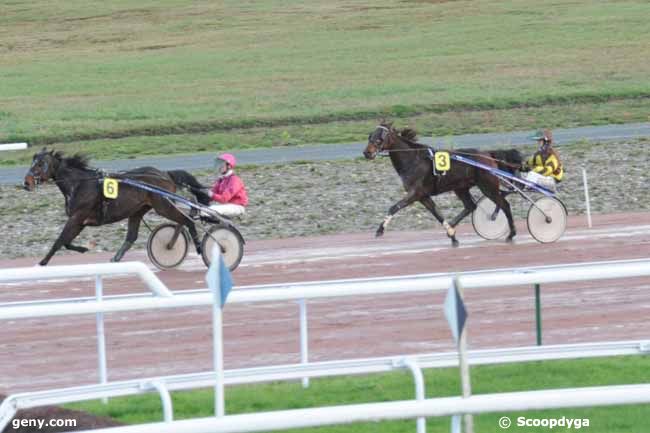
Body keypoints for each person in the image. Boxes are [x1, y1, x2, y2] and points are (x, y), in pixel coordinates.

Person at [209, 153, 248, 217]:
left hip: (237, 207)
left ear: (229, 166)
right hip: (227, 205)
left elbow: (223, 199)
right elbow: (213, 193)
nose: (219, 166)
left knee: (211, 209)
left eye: (221, 164)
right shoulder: (221, 179)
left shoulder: (234, 180)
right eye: (218, 164)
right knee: (204, 208)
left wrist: (211, 194)